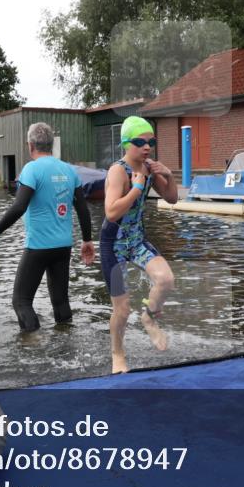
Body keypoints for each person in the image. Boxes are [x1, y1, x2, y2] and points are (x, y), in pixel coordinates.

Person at [0, 122, 95, 331]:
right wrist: (87, 240)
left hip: (38, 247)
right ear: (51, 145)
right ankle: (66, 342)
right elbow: (83, 211)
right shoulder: (69, 170)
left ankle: (33, 344)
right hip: (63, 246)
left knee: (21, 301)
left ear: (30, 145)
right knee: (60, 301)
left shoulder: (31, 169)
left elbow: (19, 207)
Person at [100, 116, 178, 374]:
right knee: (122, 309)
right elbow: (111, 212)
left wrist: (167, 174)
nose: (146, 147)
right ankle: (118, 354)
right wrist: (135, 188)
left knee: (166, 280)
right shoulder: (117, 171)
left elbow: (172, 198)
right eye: (139, 142)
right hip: (114, 244)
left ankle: (149, 317)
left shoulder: (148, 167)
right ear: (126, 143)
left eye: (151, 142)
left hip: (136, 240)